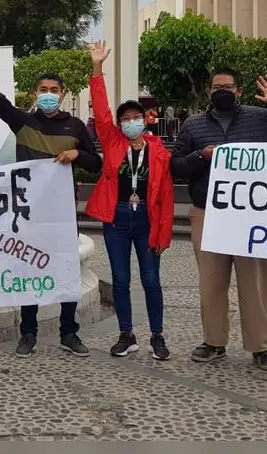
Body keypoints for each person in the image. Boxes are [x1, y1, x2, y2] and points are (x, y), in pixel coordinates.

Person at [0, 27, 102, 358]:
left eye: (54, 90)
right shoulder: (22, 122)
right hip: (28, 215)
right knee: (29, 272)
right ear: (35, 93)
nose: (49, 94)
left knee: (66, 272)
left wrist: (77, 154)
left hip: (62, 215)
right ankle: (28, 333)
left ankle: (69, 332)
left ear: (63, 95)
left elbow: (96, 163)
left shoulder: (75, 127)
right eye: (43, 90)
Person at [172, 69, 267, 370]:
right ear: (209, 92)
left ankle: (261, 346)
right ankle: (214, 341)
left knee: (255, 283)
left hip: (252, 215)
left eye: (228, 86)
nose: (223, 91)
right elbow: (176, 166)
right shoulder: (193, 124)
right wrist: (201, 156)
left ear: (239, 91)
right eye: (217, 86)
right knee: (211, 282)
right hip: (208, 212)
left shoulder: (262, 118)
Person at [84, 41, 175, 359]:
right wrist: (97, 68)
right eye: (126, 118)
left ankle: (157, 336)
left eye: (136, 116)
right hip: (118, 218)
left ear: (145, 119)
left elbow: (166, 196)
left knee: (151, 279)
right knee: (120, 280)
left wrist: (163, 232)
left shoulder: (159, 151)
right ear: (120, 123)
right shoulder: (113, 140)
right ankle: (126, 334)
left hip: (148, 218)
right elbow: (101, 110)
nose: (131, 121)